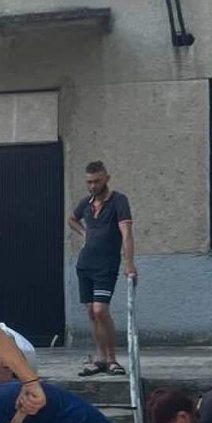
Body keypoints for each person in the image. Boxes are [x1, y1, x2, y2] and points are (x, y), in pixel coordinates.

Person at [68, 161, 137, 377]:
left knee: (100, 310)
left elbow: (126, 233)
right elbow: (71, 219)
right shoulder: (86, 203)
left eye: (97, 181)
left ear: (106, 178)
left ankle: (112, 360)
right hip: (85, 264)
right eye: (89, 182)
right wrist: (84, 233)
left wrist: (129, 263)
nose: (93, 186)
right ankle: (99, 359)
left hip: (106, 265)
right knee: (91, 312)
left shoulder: (118, 201)